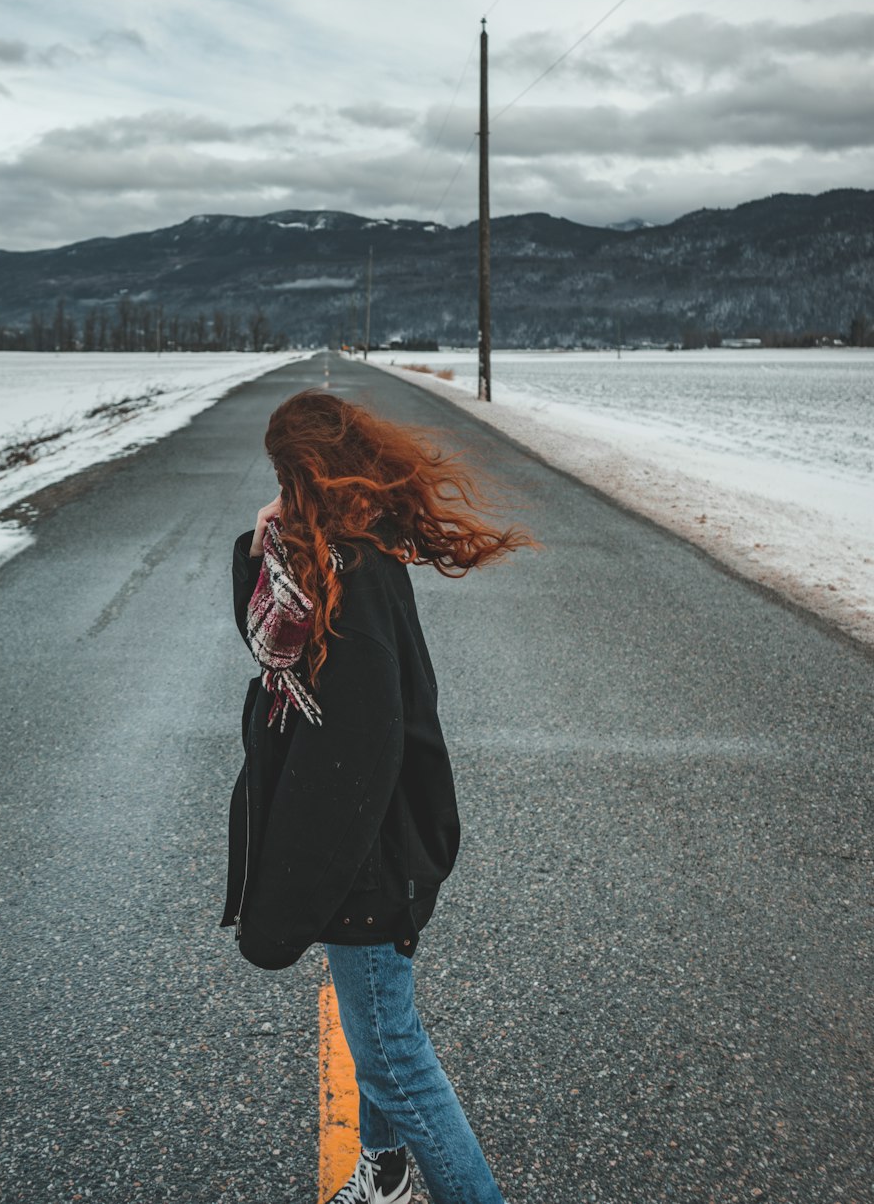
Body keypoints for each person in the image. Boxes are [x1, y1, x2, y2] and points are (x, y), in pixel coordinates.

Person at [220, 388, 536, 1204]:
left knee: (396, 1061)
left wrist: (300, 890)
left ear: (309, 477)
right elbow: (271, 639)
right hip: (384, 848)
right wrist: (265, 546)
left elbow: (355, 764)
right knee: (385, 1045)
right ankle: (387, 1172)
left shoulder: (348, 579)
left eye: (286, 479)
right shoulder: (339, 557)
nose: (279, 494)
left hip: (370, 859)